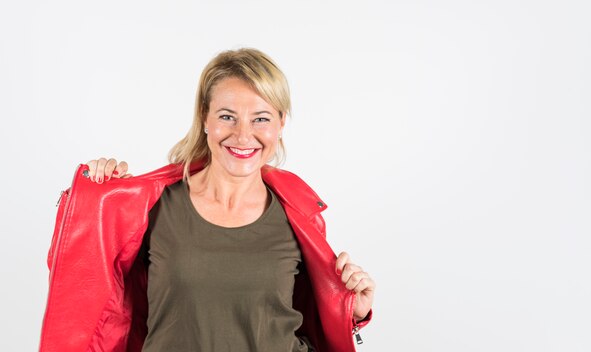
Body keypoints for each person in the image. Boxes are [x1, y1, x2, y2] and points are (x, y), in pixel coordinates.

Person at [40, 48, 375, 352]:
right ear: (204, 117)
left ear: (281, 123)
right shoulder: (152, 206)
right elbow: (81, 281)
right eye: (227, 116)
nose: (244, 136)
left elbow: (311, 319)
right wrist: (93, 199)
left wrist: (351, 311)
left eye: (261, 118)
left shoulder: (298, 216)